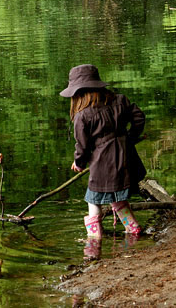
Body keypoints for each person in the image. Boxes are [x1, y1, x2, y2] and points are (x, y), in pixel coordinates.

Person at [60, 64, 146, 245]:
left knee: (93, 200)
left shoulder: (82, 116)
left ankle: (94, 242)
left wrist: (79, 163)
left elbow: (82, 146)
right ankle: (133, 229)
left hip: (103, 165)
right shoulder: (120, 100)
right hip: (127, 159)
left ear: (77, 93)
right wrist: (130, 138)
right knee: (117, 198)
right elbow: (139, 117)